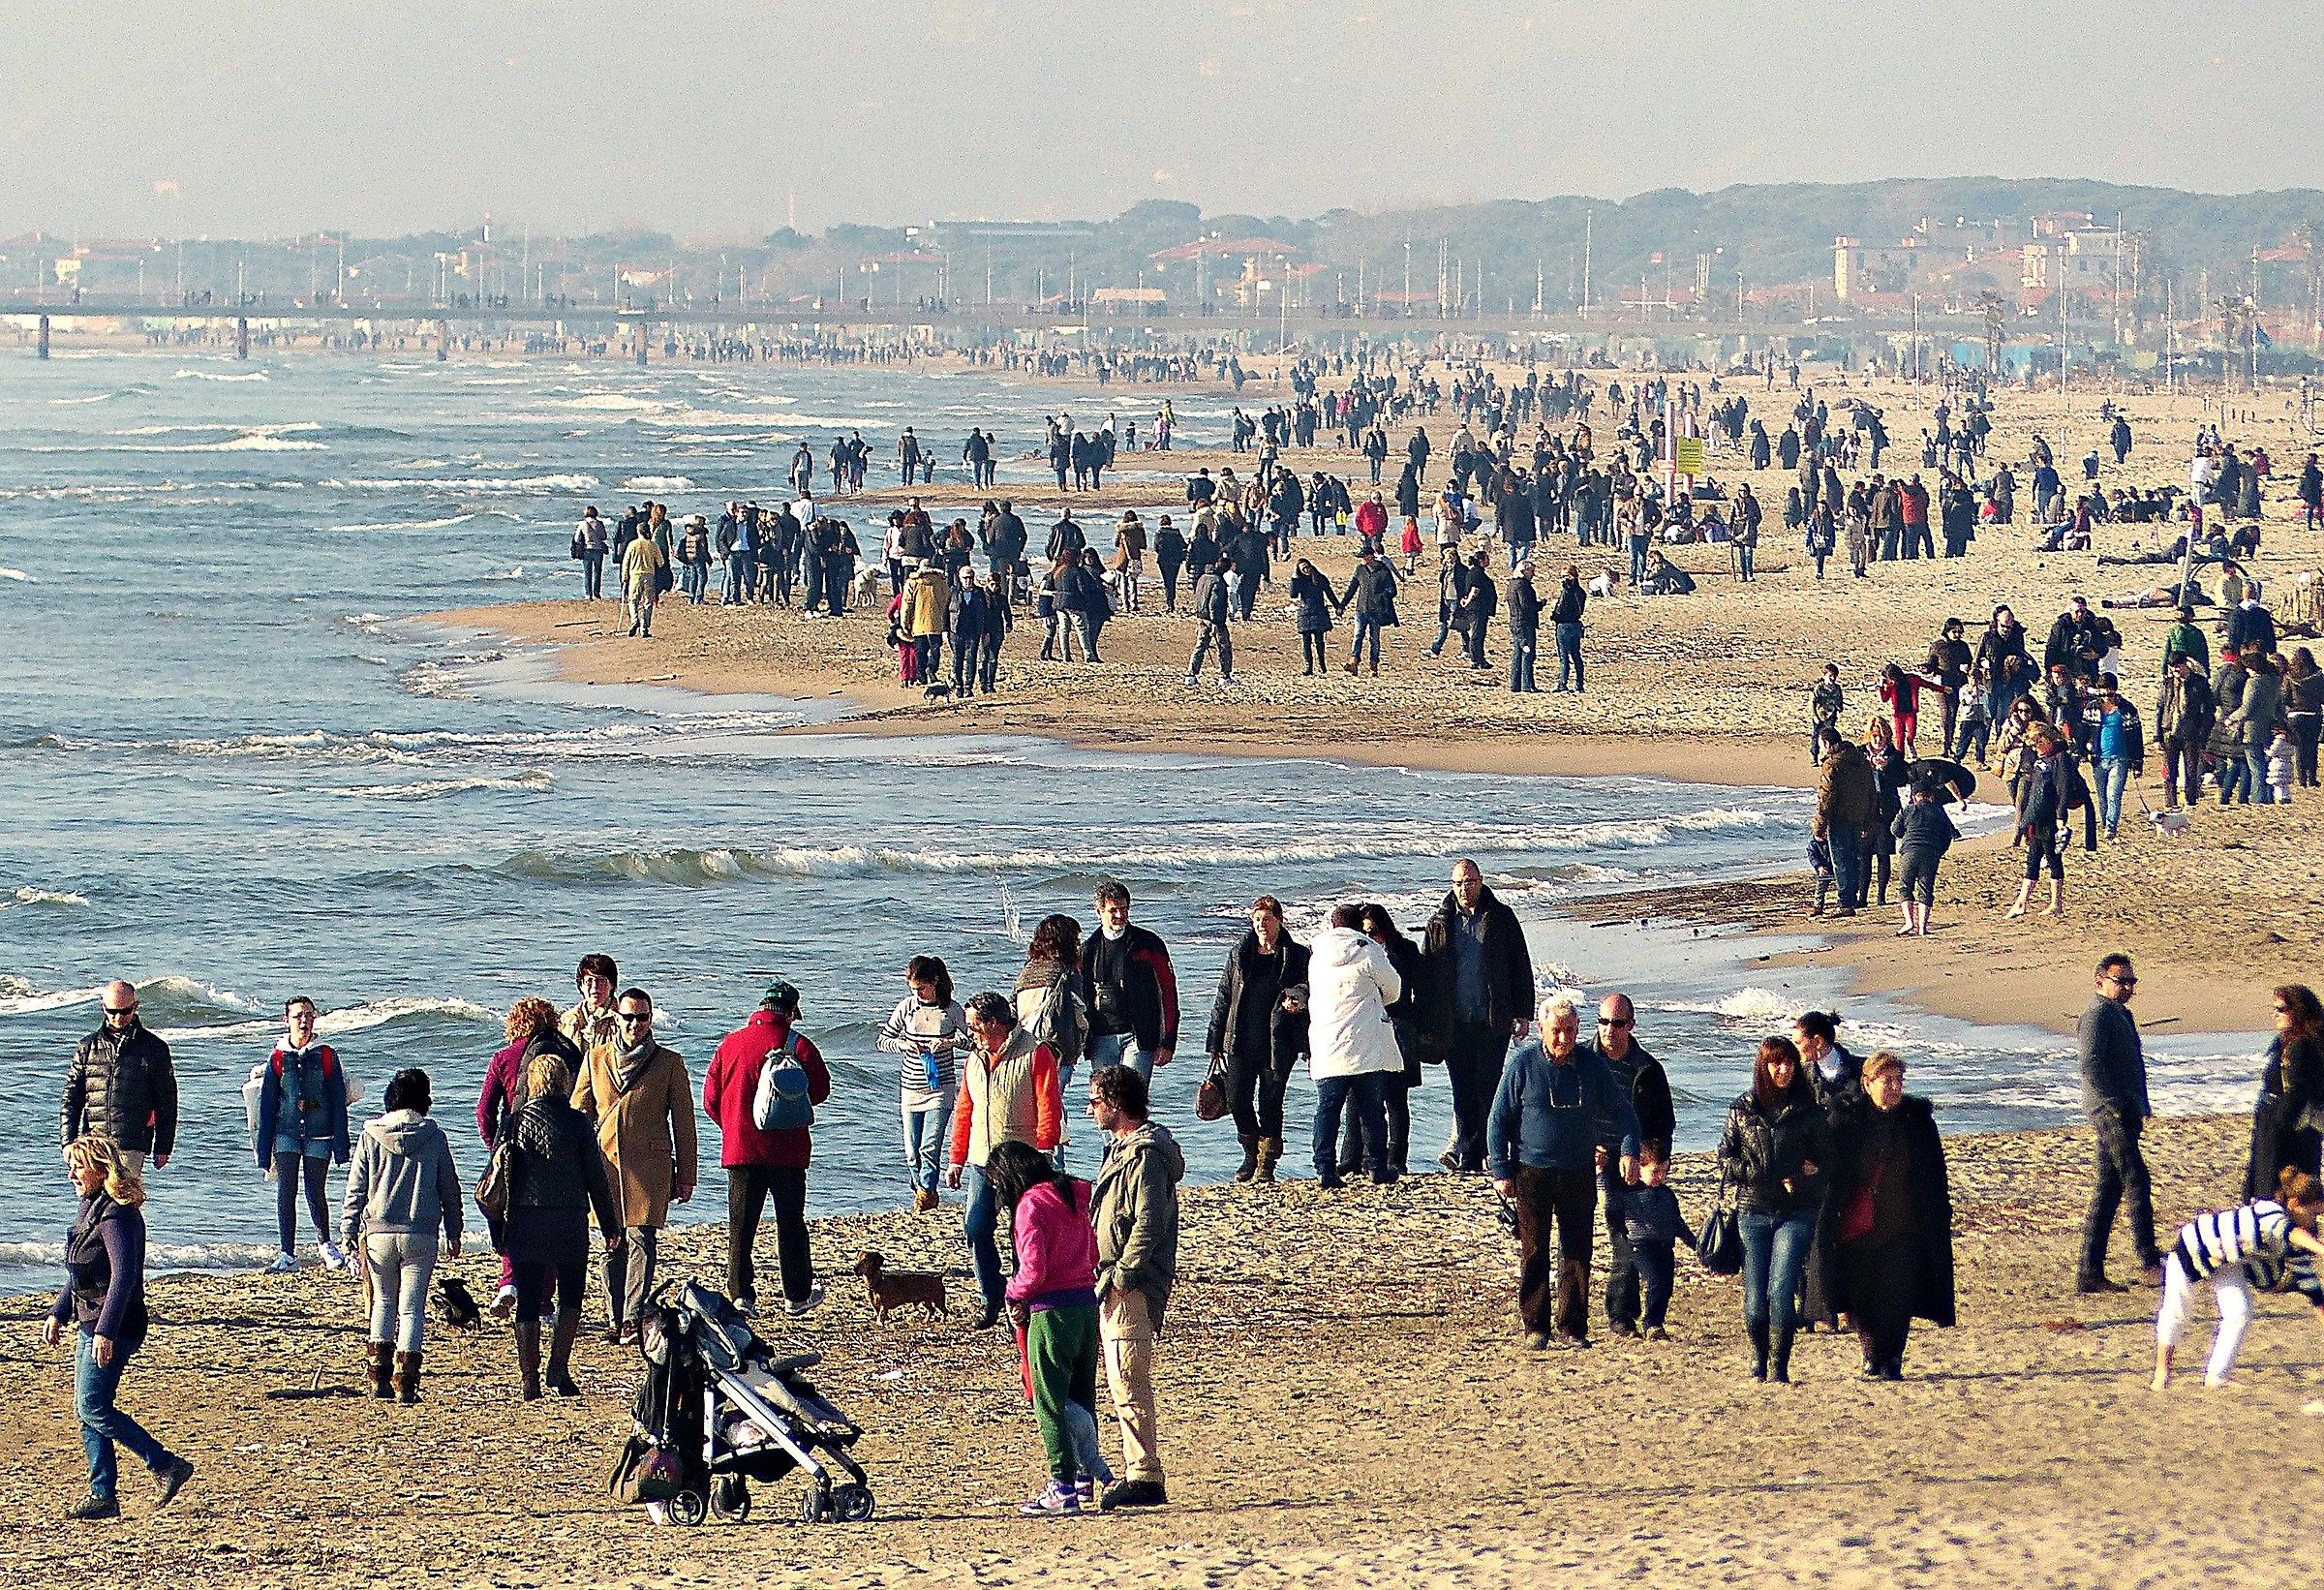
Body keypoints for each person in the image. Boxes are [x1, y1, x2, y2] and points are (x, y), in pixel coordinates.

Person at [46, 1137, 196, 1520]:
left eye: (79, 1166)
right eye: (71, 1167)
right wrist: (59, 1312)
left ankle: (163, 1464)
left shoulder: (117, 1215)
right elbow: (81, 1269)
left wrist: (106, 1332)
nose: (72, 1174)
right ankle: (103, 1495)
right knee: (87, 1409)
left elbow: (123, 1276)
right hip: (90, 1321)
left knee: (93, 1406)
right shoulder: (89, 1210)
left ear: (100, 1168)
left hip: (116, 1324)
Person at [1488, 997, 1640, 1349]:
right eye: (1556, 1031)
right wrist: (1500, 1168)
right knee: (1534, 1251)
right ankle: (1536, 1327)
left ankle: (1572, 1327)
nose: (1563, 1039)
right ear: (1542, 1029)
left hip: (1578, 1170)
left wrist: (1630, 1150)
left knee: (1576, 1251)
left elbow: (1624, 1114)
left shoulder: (1590, 1065)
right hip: (1531, 1171)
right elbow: (1498, 1120)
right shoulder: (1523, 1064)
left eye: (1569, 1031)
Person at [571, 987, 696, 1344]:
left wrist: (686, 1175)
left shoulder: (670, 1063)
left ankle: (633, 1316)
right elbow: (579, 1113)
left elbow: (684, 1123)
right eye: (629, 1017)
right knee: (612, 1244)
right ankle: (615, 1315)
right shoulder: (594, 1059)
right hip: (605, 1165)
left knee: (641, 1238)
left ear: (650, 1019)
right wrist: (577, 1166)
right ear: (616, 1018)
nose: (636, 1025)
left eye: (643, 1017)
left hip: (651, 1168)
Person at [989, 1140, 1106, 1515]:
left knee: (1049, 1400)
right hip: (1086, 1305)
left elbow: (1033, 1269)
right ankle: (1085, 1478)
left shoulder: (1030, 1205)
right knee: (1082, 1394)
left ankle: (1062, 1486)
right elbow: (1093, 1253)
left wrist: (1012, 1291)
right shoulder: (1073, 1195)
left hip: (1050, 1310)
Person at [703, 982, 832, 1318]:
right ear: (790, 1013)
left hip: (742, 1149)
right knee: (791, 1223)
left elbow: (710, 1100)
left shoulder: (729, 1045)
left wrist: (733, 1126)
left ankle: (741, 1295)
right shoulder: (800, 1046)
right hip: (789, 1151)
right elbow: (819, 1091)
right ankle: (797, 1294)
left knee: (741, 1226)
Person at [1086, 1063, 1180, 1512]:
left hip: (1131, 1286)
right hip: (1114, 1279)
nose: (1089, 1110)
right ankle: (1138, 1469)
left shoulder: (1145, 1155)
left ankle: (1144, 1474)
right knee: (1120, 1378)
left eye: (1095, 1101)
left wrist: (1124, 1274)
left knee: (1128, 1377)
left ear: (1116, 1103)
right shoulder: (1122, 1150)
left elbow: (1149, 1222)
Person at [338, 1067, 463, 1402]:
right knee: (412, 1309)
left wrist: (348, 1231)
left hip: (378, 1233)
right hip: (420, 1234)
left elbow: (356, 1189)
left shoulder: (370, 1134)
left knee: (383, 1303)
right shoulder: (434, 1137)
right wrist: (454, 1229)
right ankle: (406, 1380)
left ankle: (378, 1377)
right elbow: (449, 1188)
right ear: (425, 1100)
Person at [502, 1051, 620, 1399]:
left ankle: (529, 1380)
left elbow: (499, 1175)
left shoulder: (515, 1120)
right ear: (564, 1082)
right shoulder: (578, 1123)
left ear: (532, 1082)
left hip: (526, 1217)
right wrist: (610, 1225)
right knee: (571, 1294)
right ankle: (559, 1370)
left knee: (528, 1298)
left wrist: (499, 1229)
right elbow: (595, 1178)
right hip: (569, 1217)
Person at [1830, 1052, 1954, 1379]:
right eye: (1888, 1081)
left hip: (1906, 1223)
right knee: (1864, 1295)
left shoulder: (1917, 1121)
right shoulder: (1848, 1119)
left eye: (1899, 1080)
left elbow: (1935, 1172)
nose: (1895, 1087)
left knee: (1900, 1295)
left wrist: (1941, 1211)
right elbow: (1832, 1168)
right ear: (1867, 1083)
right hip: (1861, 1225)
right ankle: (1872, 1354)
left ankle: (1894, 1359)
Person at [1718, 1036, 1833, 1384]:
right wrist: (1764, 1174)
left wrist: (1802, 1176)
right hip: (1752, 1211)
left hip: (1795, 1212)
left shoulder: (1807, 1111)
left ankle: (1780, 1366)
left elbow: (1827, 1162)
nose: (1782, 1069)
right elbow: (1725, 1159)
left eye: (1788, 1062)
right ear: (1763, 1066)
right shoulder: (1743, 1108)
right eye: (1775, 1063)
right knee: (1755, 1299)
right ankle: (1758, 1358)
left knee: (1781, 1290)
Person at [949, 991, 1064, 1330]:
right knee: (975, 1227)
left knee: (1023, 1231)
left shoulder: (1035, 1052)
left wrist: (1045, 1148)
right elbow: (964, 1111)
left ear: (993, 1023)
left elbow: (1048, 1103)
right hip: (982, 1159)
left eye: (974, 1026)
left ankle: (1022, 1295)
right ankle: (992, 1293)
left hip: (1023, 1160)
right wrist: (956, 1158)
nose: (970, 1033)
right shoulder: (974, 1060)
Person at [2155, 1169, 2324, 1391]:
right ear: (2294, 1204)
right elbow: (2288, 1231)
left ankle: (2217, 1376)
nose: (2315, 1221)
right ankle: (2162, 1372)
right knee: (2177, 1311)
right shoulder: (2269, 1211)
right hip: (2194, 1245)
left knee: (2239, 1311)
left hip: (2228, 1261)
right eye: (2313, 1214)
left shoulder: (2292, 1247)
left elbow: (2315, 1294)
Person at [1422, 860, 1535, 1175]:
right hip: (1453, 1021)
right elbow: (1428, 976)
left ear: (1481, 881)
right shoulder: (1439, 924)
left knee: (1488, 1087)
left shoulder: (1501, 918)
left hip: (1491, 1019)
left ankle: (1486, 1153)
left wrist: (1524, 1013)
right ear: (1451, 884)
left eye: (1469, 881)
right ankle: (1469, 1156)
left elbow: (1520, 965)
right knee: (1462, 1090)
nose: (1464, 888)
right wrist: (1426, 1021)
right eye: (1458, 883)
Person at [476, 995, 580, 1320]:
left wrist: (495, 1144)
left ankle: (509, 1282)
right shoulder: (566, 1053)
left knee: (508, 1212)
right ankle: (543, 1302)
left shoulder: (503, 1058)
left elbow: (484, 1112)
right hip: (559, 1147)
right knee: (548, 1218)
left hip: (514, 1144)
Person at [1204, 896, 1309, 1183]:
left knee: (1271, 1102)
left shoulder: (1297, 955)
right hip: (1240, 1039)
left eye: (1267, 919)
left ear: (1279, 920)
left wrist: (1298, 1004)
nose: (1262, 925)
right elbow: (1224, 996)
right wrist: (1214, 1040)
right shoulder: (1240, 953)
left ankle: (1266, 1163)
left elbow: (1308, 992)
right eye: (1257, 920)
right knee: (1237, 1099)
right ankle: (1250, 1152)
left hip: (1279, 1041)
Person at [1589, 993, 1673, 1338]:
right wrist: (1583, 1146)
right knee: (1613, 1232)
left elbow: (1664, 1123)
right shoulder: (1582, 1062)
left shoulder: (1648, 1070)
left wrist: (1655, 1160)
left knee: (1634, 1239)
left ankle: (1627, 1316)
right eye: (1604, 1022)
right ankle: (1617, 1315)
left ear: (1631, 1025)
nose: (1610, 1029)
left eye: (1618, 1023)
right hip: (1592, 1163)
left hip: (1635, 1163)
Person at [2077, 954, 2161, 1294]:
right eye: (2120, 981)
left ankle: (2089, 1272)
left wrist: (2140, 1106)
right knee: (2135, 1178)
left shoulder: (2119, 1014)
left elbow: (2130, 1066)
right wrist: (2110, 1108)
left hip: (2124, 1110)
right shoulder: (2097, 1015)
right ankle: (2148, 1259)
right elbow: (2090, 1065)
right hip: (2109, 1112)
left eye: (2131, 982)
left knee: (2109, 1189)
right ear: (2100, 982)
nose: (2127, 987)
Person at [1305, 902, 1406, 1188]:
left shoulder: (1316, 954)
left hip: (1327, 1042)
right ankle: (1376, 1166)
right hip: (1364, 1041)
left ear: (1333, 925)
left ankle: (1324, 1168)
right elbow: (1394, 988)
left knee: (1327, 1109)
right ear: (1357, 926)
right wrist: (1374, 1001)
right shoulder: (1368, 950)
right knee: (1372, 1110)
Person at [253, 994, 352, 1272]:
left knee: (315, 1189)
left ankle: (326, 1245)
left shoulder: (327, 1056)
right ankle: (287, 1253)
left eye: (308, 1014)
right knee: (286, 1190)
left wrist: (341, 1143)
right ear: (287, 1021)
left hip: (319, 1134)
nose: (304, 1020)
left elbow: (338, 1101)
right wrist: (263, 1152)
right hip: (285, 1134)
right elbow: (267, 1106)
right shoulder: (277, 1058)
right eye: (298, 1015)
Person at [878, 956, 967, 1212]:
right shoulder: (906, 1008)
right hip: (910, 1086)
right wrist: (905, 1044)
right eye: (912, 988)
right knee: (911, 1151)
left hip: (941, 1086)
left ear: (934, 982)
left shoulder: (951, 1010)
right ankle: (921, 1191)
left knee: (930, 1146)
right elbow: (883, 1040)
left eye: (920, 988)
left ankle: (926, 1193)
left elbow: (974, 1040)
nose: (916, 992)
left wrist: (951, 1043)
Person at [62, 981, 177, 1176]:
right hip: (93, 1143)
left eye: (125, 1011)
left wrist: (163, 1147)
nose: (118, 1017)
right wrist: (68, 1141)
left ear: (135, 1007)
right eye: (112, 1011)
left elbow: (167, 1101)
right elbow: (71, 1098)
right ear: (103, 1006)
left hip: (131, 1143)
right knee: (91, 1203)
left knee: (122, 1200)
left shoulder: (154, 1048)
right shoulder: (87, 1047)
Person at [1080, 880, 1178, 1082]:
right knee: (1106, 1103)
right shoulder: (1088, 950)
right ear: (1099, 912)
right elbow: (1080, 999)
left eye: (1124, 909)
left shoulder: (1148, 944)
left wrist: (1168, 1041)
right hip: (1101, 1037)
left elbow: (1168, 992)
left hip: (1139, 1036)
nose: (1119, 915)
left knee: (1133, 1102)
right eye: (1113, 910)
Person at [2245, 985, 2324, 1200]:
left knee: (2279, 1200)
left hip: (2286, 1136)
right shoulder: (2297, 1043)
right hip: (2295, 1132)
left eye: (2282, 1009)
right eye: (2275, 1009)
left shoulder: (2300, 1047)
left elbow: (2298, 1093)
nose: (2276, 1014)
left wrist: (2277, 1123)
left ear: (2298, 1011)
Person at [1621, 1146, 1694, 1340]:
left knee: (1666, 1286)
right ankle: (1650, 1323)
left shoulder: (1667, 1195)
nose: (1660, 1176)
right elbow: (1609, 1203)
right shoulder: (1630, 1193)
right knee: (1655, 1280)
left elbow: (1678, 1223)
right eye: (1655, 1171)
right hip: (1640, 1245)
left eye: (1664, 1171)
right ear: (1640, 1168)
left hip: (1665, 1245)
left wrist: (1695, 1244)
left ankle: (1657, 1322)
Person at [1812, 730, 1876, 917]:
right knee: (1853, 858)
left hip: (1839, 818)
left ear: (1825, 743)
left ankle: (1845, 902)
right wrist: (1868, 820)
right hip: (1859, 815)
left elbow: (1826, 797)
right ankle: (1851, 898)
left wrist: (1819, 825)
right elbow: (1872, 792)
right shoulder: (1861, 760)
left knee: (1841, 860)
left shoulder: (1832, 764)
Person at [1890, 781, 1960, 937]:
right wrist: (1939, 851)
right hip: (1930, 852)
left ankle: (1909, 922)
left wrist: (1907, 836)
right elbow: (1946, 835)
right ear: (1931, 796)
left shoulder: (1908, 810)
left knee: (1905, 887)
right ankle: (1922, 927)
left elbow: (1895, 830)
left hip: (1909, 852)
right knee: (1926, 888)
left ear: (1914, 797)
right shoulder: (1938, 811)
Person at [1184, 554, 1234, 686]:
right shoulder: (1218, 581)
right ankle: (1225, 677)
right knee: (1224, 647)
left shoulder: (1203, 578)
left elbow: (1198, 598)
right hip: (1214, 620)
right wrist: (1215, 623)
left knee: (1200, 646)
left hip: (1201, 617)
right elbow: (1214, 603)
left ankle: (1191, 675)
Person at [562, 952, 621, 1055]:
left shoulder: (623, 1018)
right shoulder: (567, 1020)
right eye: (589, 981)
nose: (594, 986)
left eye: (601, 981)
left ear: (612, 984)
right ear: (581, 985)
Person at [621, 523, 665, 637]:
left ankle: (635, 620)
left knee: (633, 600)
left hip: (635, 575)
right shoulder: (652, 545)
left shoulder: (632, 545)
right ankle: (644, 628)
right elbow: (661, 563)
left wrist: (624, 577)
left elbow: (626, 562)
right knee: (647, 602)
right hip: (649, 575)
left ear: (638, 531)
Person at [1549, 565, 1587, 692]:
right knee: (1576, 655)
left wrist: (1554, 616)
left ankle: (1562, 683)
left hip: (1564, 625)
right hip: (1575, 624)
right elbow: (1580, 609)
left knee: (1564, 656)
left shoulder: (1566, 591)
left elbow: (1561, 609)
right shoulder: (1580, 591)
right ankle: (1579, 684)